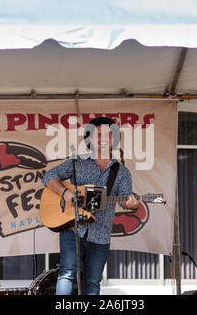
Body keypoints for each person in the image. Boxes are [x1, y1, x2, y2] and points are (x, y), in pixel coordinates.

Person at [42, 116, 139, 295]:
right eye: (99, 135)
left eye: (108, 135)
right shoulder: (77, 163)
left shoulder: (121, 172)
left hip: (101, 234)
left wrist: (132, 204)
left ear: (113, 139)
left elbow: (126, 201)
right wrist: (66, 193)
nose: (103, 139)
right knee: (67, 274)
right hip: (73, 228)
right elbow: (48, 177)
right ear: (90, 139)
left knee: (93, 281)